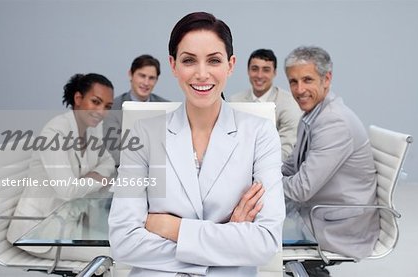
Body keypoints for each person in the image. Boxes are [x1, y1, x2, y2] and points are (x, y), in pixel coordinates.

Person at [108, 12, 285, 276]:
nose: (202, 74)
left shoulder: (260, 133)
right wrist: (228, 236)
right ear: (173, 65)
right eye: (189, 60)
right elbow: (124, 242)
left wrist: (172, 228)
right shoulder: (143, 134)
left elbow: (265, 242)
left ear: (230, 64)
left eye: (214, 60)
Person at [281, 46, 379, 276]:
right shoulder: (314, 114)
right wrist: (259, 174)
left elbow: (301, 189)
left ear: (327, 79)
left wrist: (258, 186)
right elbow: (290, 167)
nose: (299, 89)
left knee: (251, 231)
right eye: (293, 81)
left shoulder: (333, 123)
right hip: (321, 211)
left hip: (339, 226)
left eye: (307, 80)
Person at [7, 73, 116, 261]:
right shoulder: (54, 132)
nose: (101, 112)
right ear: (78, 99)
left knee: (128, 239)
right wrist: (98, 178)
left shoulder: (93, 129)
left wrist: (93, 177)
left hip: (74, 219)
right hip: (40, 232)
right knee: (116, 253)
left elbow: (108, 162)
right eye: (96, 102)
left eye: (107, 106)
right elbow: (67, 190)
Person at [230, 49, 302, 161]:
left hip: (276, 169)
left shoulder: (289, 104)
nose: (259, 75)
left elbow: (286, 150)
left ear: (274, 73)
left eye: (266, 70)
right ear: (248, 71)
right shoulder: (234, 102)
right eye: (255, 69)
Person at [103, 54, 169, 166]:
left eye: (151, 78)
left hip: (160, 172)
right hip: (124, 173)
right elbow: (113, 152)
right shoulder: (113, 108)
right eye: (142, 76)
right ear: (131, 74)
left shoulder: (167, 107)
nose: (146, 83)